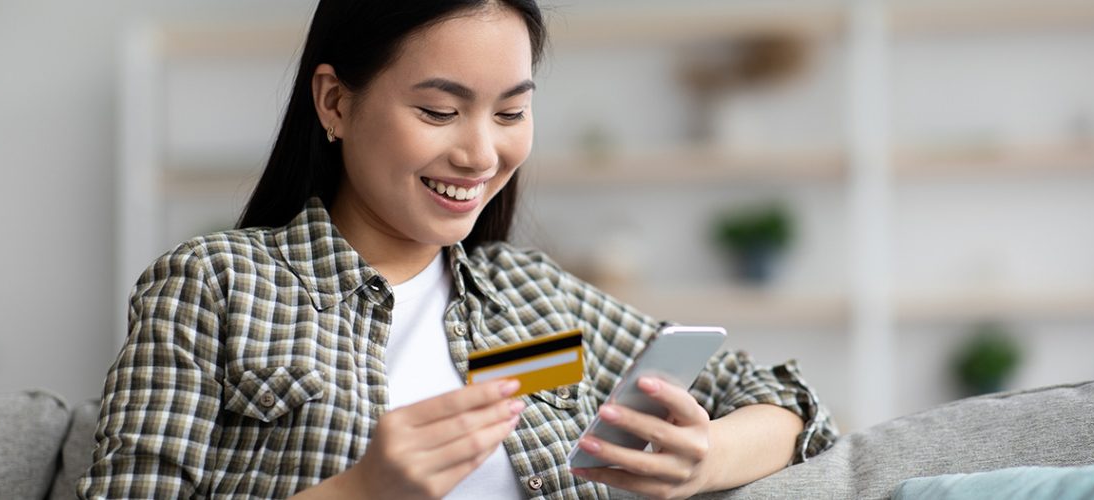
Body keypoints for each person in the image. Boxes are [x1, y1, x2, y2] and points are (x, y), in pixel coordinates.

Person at [80, 1, 837, 498]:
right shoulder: (215, 285)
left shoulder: (534, 301)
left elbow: (785, 403)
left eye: (511, 111)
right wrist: (361, 491)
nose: (480, 154)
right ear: (335, 103)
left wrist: (703, 456)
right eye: (439, 110)